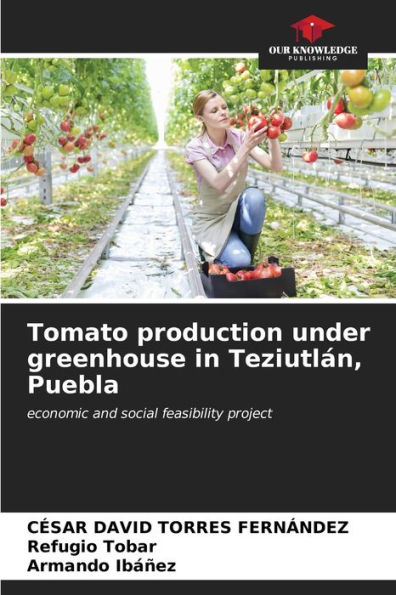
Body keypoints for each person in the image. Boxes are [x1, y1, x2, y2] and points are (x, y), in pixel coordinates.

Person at [185, 89, 283, 268]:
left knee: (254, 198)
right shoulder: (196, 147)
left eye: (224, 107)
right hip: (212, 219)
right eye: (214, 110)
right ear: (201, 118)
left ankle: (246, 254)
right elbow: (218, 183)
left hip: (237, 210)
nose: (222, 112)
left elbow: (275, 165)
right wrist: (245, 148)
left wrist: (272, 133)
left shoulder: (238, 136)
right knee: (238, 260)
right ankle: (225, 252)